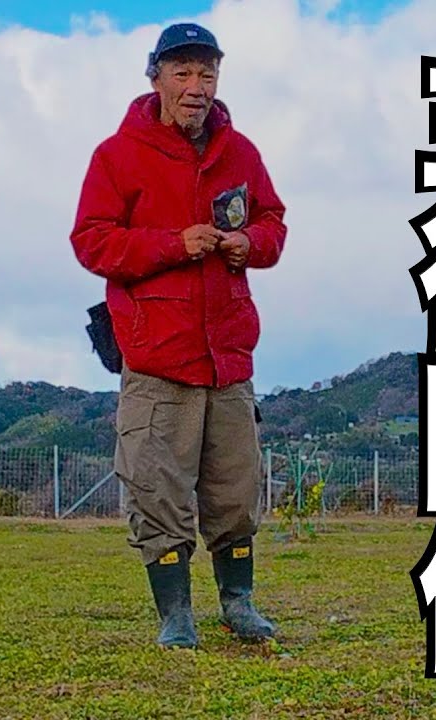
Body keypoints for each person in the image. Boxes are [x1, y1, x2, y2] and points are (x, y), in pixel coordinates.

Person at [69, 22, 287, 649]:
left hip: (228, 356)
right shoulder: (117, 155)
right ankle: (175, 616)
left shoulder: (240, 151)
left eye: (208, 73)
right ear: (156, 76)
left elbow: (273, 221)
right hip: (157, 355)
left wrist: (251, 244)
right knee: (158, 489)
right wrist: (173, 244)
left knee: (235, 487)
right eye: (183, 72)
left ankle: (238, 604)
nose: (197, 87)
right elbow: (92, 241)